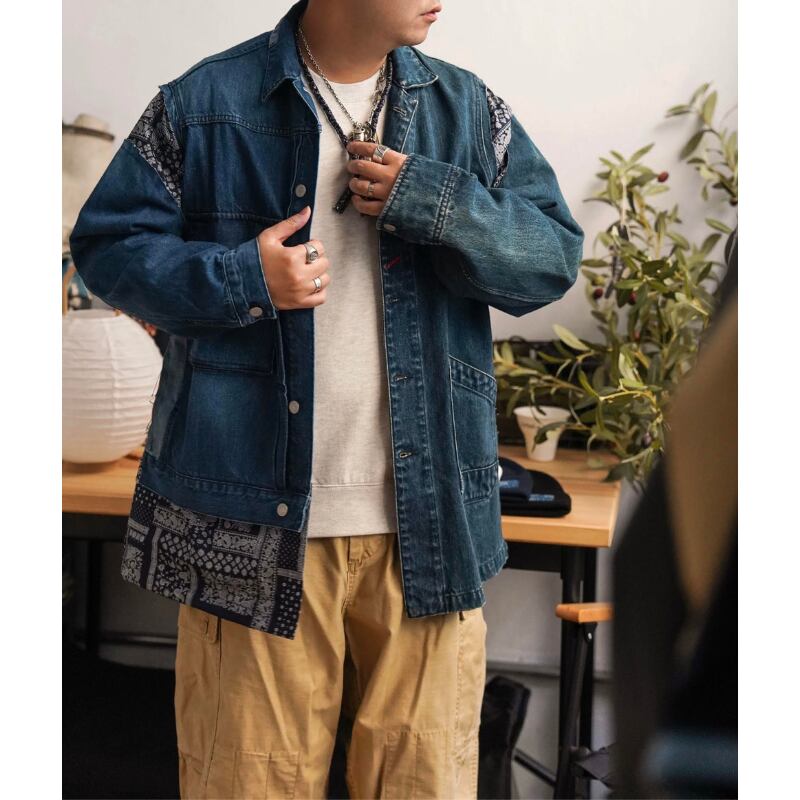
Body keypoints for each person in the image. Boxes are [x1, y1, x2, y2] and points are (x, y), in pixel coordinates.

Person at [69, 1, 584, 796]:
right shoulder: (202, 104)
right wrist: (244, 277)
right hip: (247, 534)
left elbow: (551, 259)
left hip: (430, 529)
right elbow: (107, 249)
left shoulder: (467, 109)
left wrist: (434, 200)